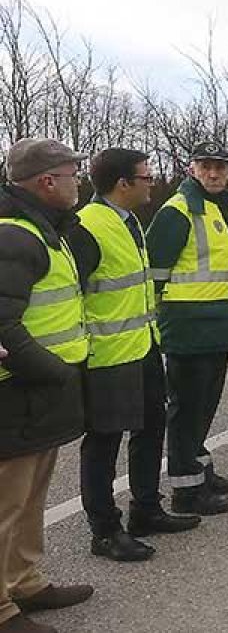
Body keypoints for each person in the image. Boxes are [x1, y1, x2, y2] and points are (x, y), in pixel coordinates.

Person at [67, 148, 201, 563]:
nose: (152, 182)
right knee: (104, 442)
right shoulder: (87, 226)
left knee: (150, 426)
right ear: (122, 183)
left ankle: (145, 508)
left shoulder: (129, 222)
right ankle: (105, 531)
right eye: (145, 177)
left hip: (142, 346)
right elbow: (74, 295)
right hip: (106, 356)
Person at [0, 138, 94, 632]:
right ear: (47, 181)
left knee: (31, 496)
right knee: (6, 502)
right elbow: (3, 323)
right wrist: (55, 370)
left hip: (41, 391)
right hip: (18, 392)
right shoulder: (15, 236)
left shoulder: (45, 229)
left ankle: (24, 580)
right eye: (72, 173)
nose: (79, 181)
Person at [146, 141, 228, 515]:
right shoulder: (179, 211)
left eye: (220, 166)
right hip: (188, 331)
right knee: (187, 412)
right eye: (206, 166)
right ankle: (186, 491)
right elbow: (153, 275)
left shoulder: (215, 210)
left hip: (214, 327)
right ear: (191, 169)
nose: (213, 173)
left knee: (204, 408)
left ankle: (201, 471)